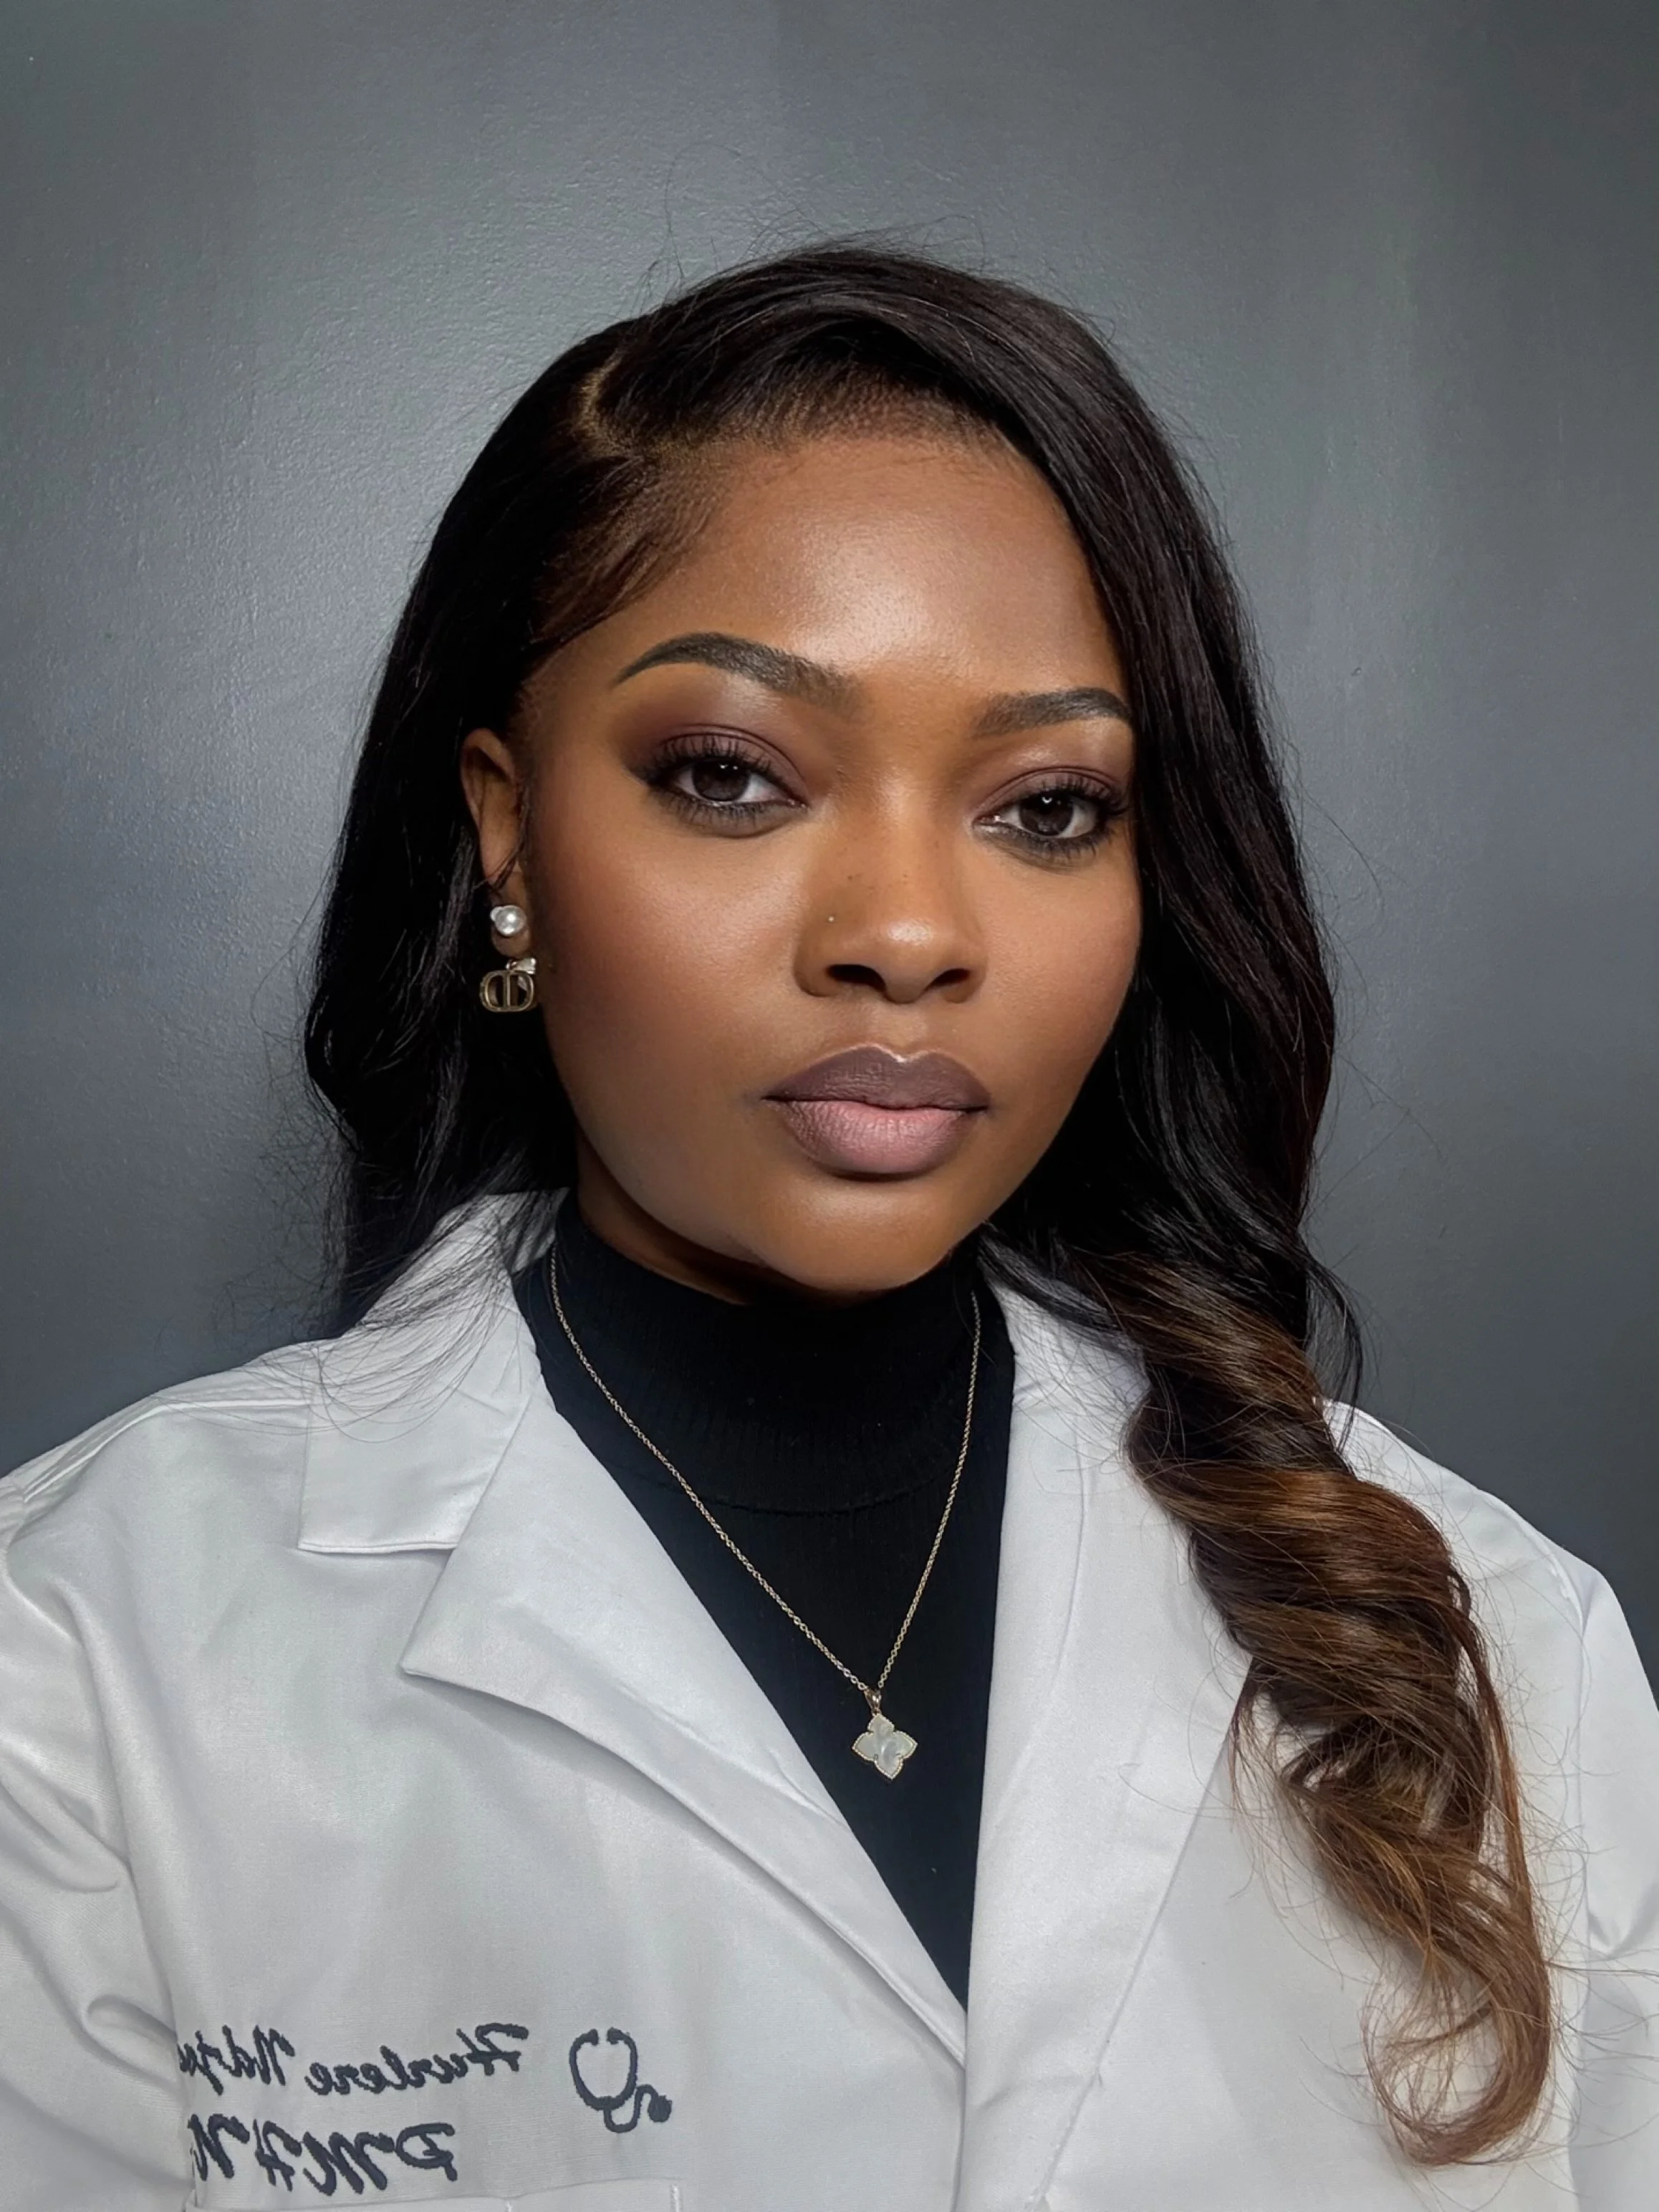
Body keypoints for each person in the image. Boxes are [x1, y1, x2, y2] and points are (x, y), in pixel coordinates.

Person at [0, 244, 1653, 2212]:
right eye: (730, 777)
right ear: (507, 825)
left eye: (1045, 808)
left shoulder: (1488, 1637)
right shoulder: (83, 1658)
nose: (908, 933)